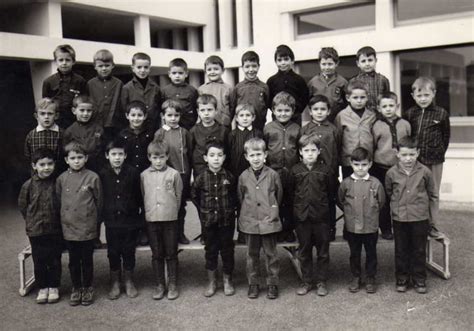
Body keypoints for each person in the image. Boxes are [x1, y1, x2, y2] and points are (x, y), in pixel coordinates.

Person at [385, 137, 438, 294]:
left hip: (419, 218)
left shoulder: (425, 172)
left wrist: (432, 219)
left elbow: (432, 194)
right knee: (401, 249)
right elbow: (389, 193)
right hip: (400, 218)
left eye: (412, 155)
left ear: (418, 153)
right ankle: (402, 278)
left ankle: (419, 279)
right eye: (404, 155)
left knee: (419, 249)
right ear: (397, 154)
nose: (408, 159)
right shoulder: (391, 173)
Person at [56, 141, 103, 306]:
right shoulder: (61, 179)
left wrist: (94, 224)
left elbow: (99, 202)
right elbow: (58, 201)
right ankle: (76, 287)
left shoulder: (92, 177)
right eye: (73, 158)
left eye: (80, 157)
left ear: (86, 158)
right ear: (66, 160)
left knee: (87, 259)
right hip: (69, 227)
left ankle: (88, 287)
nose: (77, 161)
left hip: (87, 226)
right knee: (74, 260)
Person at [289, 135, 337, 297]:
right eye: (306, 150)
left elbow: (331, 197)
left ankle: (321, 281)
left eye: (313, 150)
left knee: (323, 252)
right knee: (304, 251)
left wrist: (332, 224)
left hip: (322, 219)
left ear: (319, 152)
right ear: (300, 152)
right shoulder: (294, 171)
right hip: (302, 219)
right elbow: (290, 196)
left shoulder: (326, 171)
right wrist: (292, 221)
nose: (310, 154)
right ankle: (307, 281)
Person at [403, 76, 449, 238]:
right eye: (419, 95)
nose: (423, 99)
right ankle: (416, 225)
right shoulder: (410, 113)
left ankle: (433, 225)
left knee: (433, 193)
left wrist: (439, 152)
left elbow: (446, 137)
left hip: (435, 161)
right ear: (413, 96)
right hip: (416, 161)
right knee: (415, 192)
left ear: (434, 94)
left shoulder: (441, 113)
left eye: (426, 95)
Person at [238, 138, 283, 300]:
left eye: (259, 154)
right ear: (246, 157)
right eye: (252, 155)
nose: (256, 158)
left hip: (268, 221)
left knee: (271, 254)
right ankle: (254, 283)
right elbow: (241, 197)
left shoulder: (273, 175)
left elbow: (279, 196)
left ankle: (272, 283)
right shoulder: (243, 176)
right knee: (252, 254)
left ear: (265, 155)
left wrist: (272, 213)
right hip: (250, 221)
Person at [191, 141, 237, 297]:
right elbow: (195, 195)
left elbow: (235, 196)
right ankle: (211, 281)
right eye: (212, 155)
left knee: (227, 250)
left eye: (219, 155)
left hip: (226, 221)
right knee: (210, 250)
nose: (215, 159)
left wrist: (230, 210)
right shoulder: (201, 178)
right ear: (205, 158)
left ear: (224, 158)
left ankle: (227, 280)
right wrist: (205, 211)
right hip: (209, 222)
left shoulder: (229, 177)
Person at [99, 138, 142, 300]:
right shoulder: (103, 174)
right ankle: (115, 282)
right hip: (111, 221)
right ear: (107, 155)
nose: (117, 157)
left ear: (125, 156)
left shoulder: (132, 173)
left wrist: (138, 216)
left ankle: (129, 281)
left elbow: (139, 196)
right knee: (113, 251)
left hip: (130, 220)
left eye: (120, 154)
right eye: (113, 154)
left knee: (129, 250)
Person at [338, 147, 385, 294]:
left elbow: (381, 202)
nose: (360, 168)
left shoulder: (375, 183)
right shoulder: (346, 183)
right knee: (354, 253)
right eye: (357, 164)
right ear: (351, 164)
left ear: (370, 164)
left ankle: (370, 278)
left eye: (364, 165)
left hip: (370, 226)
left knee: (371, 253)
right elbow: (341, 201)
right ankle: (356, 276)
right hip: (352, 227)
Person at [18, 148, 62, 304]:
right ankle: (42, 287)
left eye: (50, 164)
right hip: (36, 230)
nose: (46, 168)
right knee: (40, 259)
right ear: (34, 165)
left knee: (55, 259)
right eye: (42, 164)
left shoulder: (58, 183)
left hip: (55, 229)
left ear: (54, 164)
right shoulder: (28, 185)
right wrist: (32, 221)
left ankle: (54, 286)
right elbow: (23, 207)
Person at [141, 141, 183, 300]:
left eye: (162, 157)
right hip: (152, 219)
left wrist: (172, 211)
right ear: (149, 158)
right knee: (157, 253)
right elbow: (143, 194)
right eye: (154, 158)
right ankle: (159, 284)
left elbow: (178, 196)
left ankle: (172, 284)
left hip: (170, 219)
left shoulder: (174, 174)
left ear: (167, 157)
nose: (158, 161)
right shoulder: (144, 175)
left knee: (171, 253)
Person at [190, 94, 229, 244]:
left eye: (210, 110)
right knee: (203, 203)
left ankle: (221, 233)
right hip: (201, 173)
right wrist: (193, 174)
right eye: (203, 110)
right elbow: (190, 152)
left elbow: (227, 153)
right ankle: (206, 233)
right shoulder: (193, 131)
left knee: (219, 203)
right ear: (198, 111)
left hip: (219, 173)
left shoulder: (222, 130)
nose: (206, 113)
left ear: (216, 111)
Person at [371, 92, 411, 240]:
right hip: (380, 167)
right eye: (384, 106)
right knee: (383, 200)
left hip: (399, 168)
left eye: (391, 106)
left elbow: (409, 143)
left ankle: (401, 228)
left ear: (397, 106)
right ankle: (386, 229)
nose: (388, 109)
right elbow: (373, 145)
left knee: (400, 198)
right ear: (379, 108)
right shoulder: (377, 125)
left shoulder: (405, 124)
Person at [154, 99, 192, 244]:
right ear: (163, 116)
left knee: (181, 205)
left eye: (176, 115)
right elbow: (156, 153)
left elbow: (189, 153)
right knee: (167, 205)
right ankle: (168, 236)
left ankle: (180, 233)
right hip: (165, 175)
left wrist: (190, 174)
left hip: (182, 175)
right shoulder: (159, 134)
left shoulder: (185, 133)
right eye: (169, 115)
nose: (173, 118)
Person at [264, 91, 300, 242]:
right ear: (273, 110)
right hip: (274, 171)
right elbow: (264, 148)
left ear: (292, 111)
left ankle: (289, 230)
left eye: (287, 111)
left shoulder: (297, 128)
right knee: (275, 200)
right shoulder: (268, 128)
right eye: (279, 110)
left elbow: (300, 148)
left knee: (290, 201)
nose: (283, 114)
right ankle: (276, 230)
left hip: (291, 171)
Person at [302, 95, 340, 240]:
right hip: (311, 172)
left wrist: (335, 170)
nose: (319, 112)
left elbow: (338, 148)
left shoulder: (333, 129)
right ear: (310, 111)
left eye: (323, 109)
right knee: (312, 200)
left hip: (329, 172)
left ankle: (330, 228)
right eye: (315, 109)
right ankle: (311, 231)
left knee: (329, 201)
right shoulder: (305, 130)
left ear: (328, 111)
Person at [119, 100, 154, 245]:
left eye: (140, 115)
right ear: (127, 116)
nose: (136, 118)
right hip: (130, 174)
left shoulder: (150, 133)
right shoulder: (122, 134)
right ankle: (134, 232)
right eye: (133, 115)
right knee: (132, 203)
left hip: (147, 173)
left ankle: (145, 231)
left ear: (145, 116)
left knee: (147, 202)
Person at [335, 80, 377, 178]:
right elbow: (338, 139)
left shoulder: (372, 116)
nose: (359, 101)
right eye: (355, 97)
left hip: (368, 162)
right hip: (349, 162)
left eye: (362, 97)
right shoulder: (342, 116)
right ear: (348, 98)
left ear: (367, 97)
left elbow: (375, 138)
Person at [42, 44, 86, 128]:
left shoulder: (80, 81)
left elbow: (84, 103)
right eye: (61, 60)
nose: (64, 63)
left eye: (67, 60)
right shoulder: (48, 82)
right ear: (55, 61)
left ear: (73, 61)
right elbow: (45, 106)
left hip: (75, 123)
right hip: (55, 123)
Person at [87, 49, 124, 140]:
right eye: (100, 66)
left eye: (107, 65)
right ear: (95, 66)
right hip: (95, 125)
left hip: (115, 126)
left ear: (113, 65)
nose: (104, 68)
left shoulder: (118, 83)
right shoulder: (90, 84)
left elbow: (119, 104)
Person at [266, 44, 309, 124]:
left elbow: (305, 98)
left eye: (286, 59)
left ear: (292, 61)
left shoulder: (299, 80)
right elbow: (268, 100)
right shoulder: (271, 81)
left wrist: (296, 111)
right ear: (275, 62)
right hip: (277, 118)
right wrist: (276, 110)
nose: (283, 63)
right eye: (279, 60)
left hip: (295, 119)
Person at [63, 95, 104, 173]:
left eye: (89, 111)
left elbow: (101, 150)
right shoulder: (69, 131)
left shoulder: (98, 129)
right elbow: (67, 152)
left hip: (96, 167)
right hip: (77, 168)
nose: (86, 114)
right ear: (74, 111)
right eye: (82, 110)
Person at [121, 52, 161, 131]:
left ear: (149, 68)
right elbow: (124, 109)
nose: (142, 70)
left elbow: (158, 109)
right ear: (133, 68)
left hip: (152, 128)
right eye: (139, 67)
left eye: (146, 67)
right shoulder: (127, 88)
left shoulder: (156, 87)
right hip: (135, 129)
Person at [231, 51, 270, 131]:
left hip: (259, 126)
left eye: (254, 66)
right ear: (242, 68)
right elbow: (232, 108)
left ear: (258, 66)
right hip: (242, 127)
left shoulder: (264, 87)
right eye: (247, 66)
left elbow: (267, 105)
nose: (251, 69)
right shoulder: (238, 87)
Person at [307, 47, 348, 122]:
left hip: (337, 120)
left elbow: (347, 102)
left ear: (336, 63)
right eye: (324, 64)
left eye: (330, 64)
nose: (327, 67)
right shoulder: (313, 82)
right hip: (318, 120)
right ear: (319, 64)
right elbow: (308, 103)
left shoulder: (342, 82)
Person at [161, 58, 199, 131]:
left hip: (188, 126)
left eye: (180, 73)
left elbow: (195, 109)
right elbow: (162, 111)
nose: (177, 76)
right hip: (171, 126)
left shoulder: (192, 90)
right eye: (174, 73)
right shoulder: (165, 91)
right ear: (169, 74)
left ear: (186, 74)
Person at [24, 98, 64, 167]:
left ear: (56, 116)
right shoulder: (31, 135)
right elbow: (28, 157)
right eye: (42, 114)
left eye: (50, 114)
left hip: (59, 173)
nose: (46, 117)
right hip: (38, 174)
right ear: (36, 116)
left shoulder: (63, 134)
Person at [348, 46, 390, 111]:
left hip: (378, 116)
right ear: (358, 63)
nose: (367, 64)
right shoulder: (353, 81)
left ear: (375, 60)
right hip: (360, 116)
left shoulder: (383, 80)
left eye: (370, 60)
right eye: (363, 61)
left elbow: (387, 100)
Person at [198, 55, 233, 128]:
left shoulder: (229, 88)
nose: (212, 72)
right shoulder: (201, 89)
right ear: (205, 71)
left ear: (222, 70)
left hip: (224, 125)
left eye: (216, 69)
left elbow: (232, 108)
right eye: (209, 69)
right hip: (206, 125)